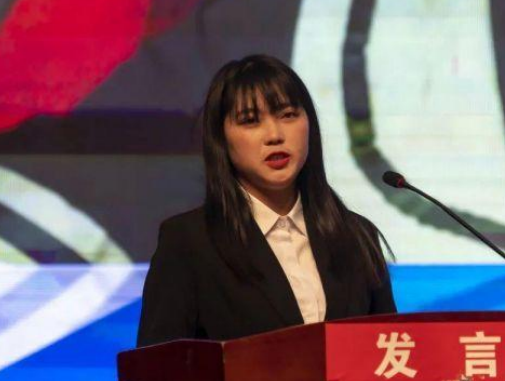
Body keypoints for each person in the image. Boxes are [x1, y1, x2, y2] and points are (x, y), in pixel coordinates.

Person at [137, 54, 396, 346]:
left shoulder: (357, 236)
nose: (274, 135)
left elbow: (388, 354)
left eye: (288, 115)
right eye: (250, 121)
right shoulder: (188, 242)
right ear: (221, 140)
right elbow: (157, 364)